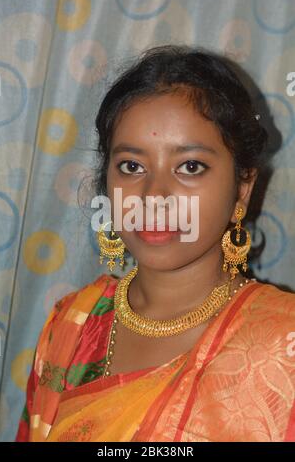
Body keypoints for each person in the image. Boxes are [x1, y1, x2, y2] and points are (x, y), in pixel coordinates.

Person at [16, 45, 295, 442]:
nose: (153, 197)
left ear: (243, 188)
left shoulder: (283, 342)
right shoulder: (70, 325)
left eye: (190, 167)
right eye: (132, 166)